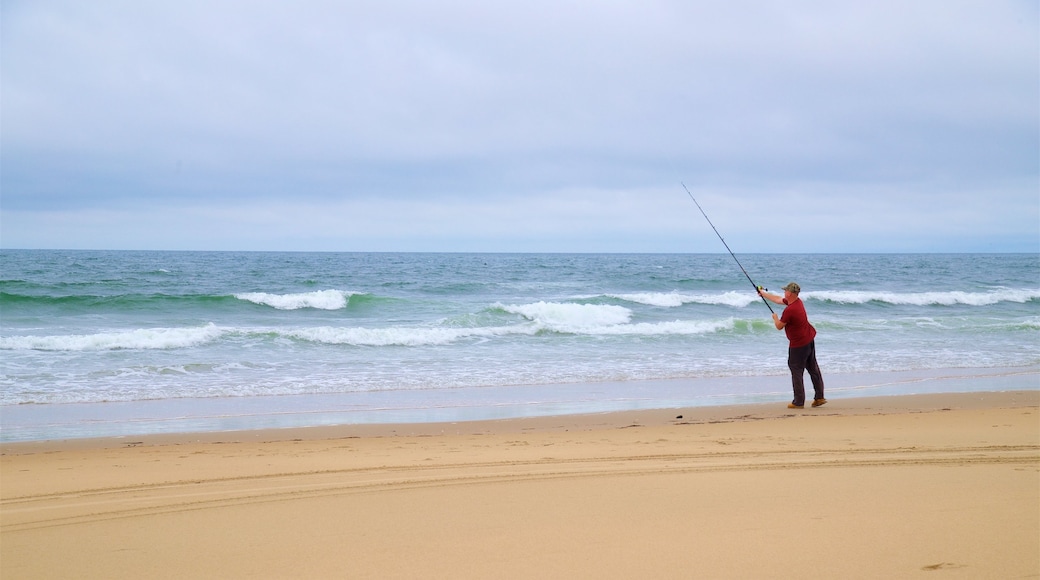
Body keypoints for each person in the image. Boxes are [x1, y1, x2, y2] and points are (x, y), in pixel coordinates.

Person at [758, 282, 826, 409]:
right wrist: (763, 294)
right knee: (813, 368)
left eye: (785, 291)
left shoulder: (790, 310)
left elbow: (779, 326)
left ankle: (798, 401)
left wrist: (775, 318)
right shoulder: (797, 302)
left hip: (799, 344)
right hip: (809, 339)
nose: (784, 293)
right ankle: (819, 397)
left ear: (789, 293)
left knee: (796, 370)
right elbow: (778, 300)